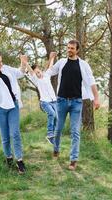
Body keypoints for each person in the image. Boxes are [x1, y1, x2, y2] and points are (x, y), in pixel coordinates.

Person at [45, 40, 100, 170]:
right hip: (62, 101)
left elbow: (92, 81)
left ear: (77, 50)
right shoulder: (62, 62)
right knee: (58, 129)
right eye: (68, 48)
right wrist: (51, 59)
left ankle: (73, 160)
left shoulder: (84, 65)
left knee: (75, 132)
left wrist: (96, 98)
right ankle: (56, 149)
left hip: (76, 102)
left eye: (72, 48)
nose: (69, 50)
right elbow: (48, 72)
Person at [20, 52, 58, 145]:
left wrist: (51, 58)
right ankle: (49, 134)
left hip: (54, 101)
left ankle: (54, 135)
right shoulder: (36, 80)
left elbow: (49, 67)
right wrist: (25, 62)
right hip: (45, 102)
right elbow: (31, 71)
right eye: (36, 72)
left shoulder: (46, 76)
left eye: (39, 71)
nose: (38, 73)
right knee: (52, 114)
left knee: (57, 117)